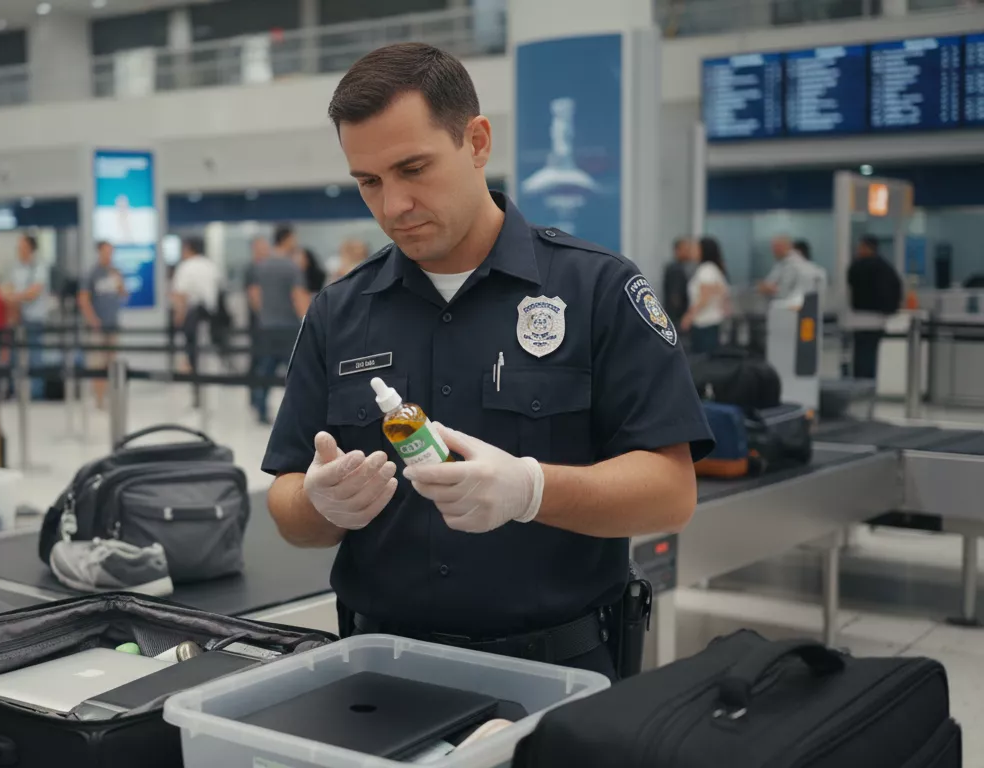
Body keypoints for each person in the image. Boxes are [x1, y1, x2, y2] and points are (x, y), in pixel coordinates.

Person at [261, 42, 713, 681]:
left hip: (560, 672)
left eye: (413, 168)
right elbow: (287, 501)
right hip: (378, 672)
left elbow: (670, 492)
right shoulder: (339, 312)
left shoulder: (596, 290)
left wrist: (532, 490)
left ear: (476, 142)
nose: (393, 206)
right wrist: (318, 504)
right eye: (369, 182)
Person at [248, 233, 311, 424]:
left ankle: (260, 408)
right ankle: (302, 412)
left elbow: (254, 294)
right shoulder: (292, 266)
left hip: (267, 326)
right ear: (287, 239)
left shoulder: (261, 266)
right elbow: (299, 296)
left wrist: (265, 315)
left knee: (265, 370)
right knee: (297, 372)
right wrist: (307, 322)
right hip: (289, 327)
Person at [78, 240, 129, 408]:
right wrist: (93, 320)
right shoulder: (92, 273)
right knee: (98, 363)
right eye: (106, 252)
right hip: (98, 327)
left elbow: (123, 294)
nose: (109, 256)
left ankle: (109, 396)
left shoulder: (115, 272)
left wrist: (119, 280)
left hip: (112, 324)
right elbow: (83, 299)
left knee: (111, 362)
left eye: (111, 252)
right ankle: (99, 398)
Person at [847, 235, 903, 380]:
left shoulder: (859, 266)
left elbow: (851, 281)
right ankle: (870, 383)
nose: (858, 250)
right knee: (871, 353)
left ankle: (860, 382)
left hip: (860, 317)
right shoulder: (886, 267)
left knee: (861, 354)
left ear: (867, 248)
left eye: (860, 247)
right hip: (879, 318)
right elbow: (896, 289)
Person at [6, 232, 51, 398]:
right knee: (16, 357)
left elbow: (33, 292)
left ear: (31, 248)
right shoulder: (16, 267)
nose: (19, 250)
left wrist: (15, 297)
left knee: (35, 357)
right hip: (18, 318)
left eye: (23, 246)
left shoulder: (39, 267)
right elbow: (9, 288)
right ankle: (16, 391)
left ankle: (36, 393)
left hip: (34, 319)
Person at [171, 236, 222, 377]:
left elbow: (181, 295)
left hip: (193, 314)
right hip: (211, 314)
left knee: (191, 350)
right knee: (208, 349)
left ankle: (193, 375)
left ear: (188, 249)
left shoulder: (186, 266)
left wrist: (178, 317)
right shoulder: (210, 265)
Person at [681, 236, 730, 354]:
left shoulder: (706, 270)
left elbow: (704, 298)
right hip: (712, 322)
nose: (693, 251)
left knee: (703, 358)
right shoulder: (713, 269)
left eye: (696, 248)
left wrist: (688, 317)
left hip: (704, 324)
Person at [758, 234, 820, 306]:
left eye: (777, 247)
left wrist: (770, 290)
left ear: (788, 246)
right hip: (779, 306)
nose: (773, 250)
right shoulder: (780, 263)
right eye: (773, 247)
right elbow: (770, 283)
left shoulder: (795, 264)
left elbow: (785, 292)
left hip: (789, 307)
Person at [662, 237, 697, 326]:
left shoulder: (681, 267)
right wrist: (681, 318)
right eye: (686, 249)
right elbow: (675, 297)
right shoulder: (675, 269)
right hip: (677, 318)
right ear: (677, 251)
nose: (689, 252)